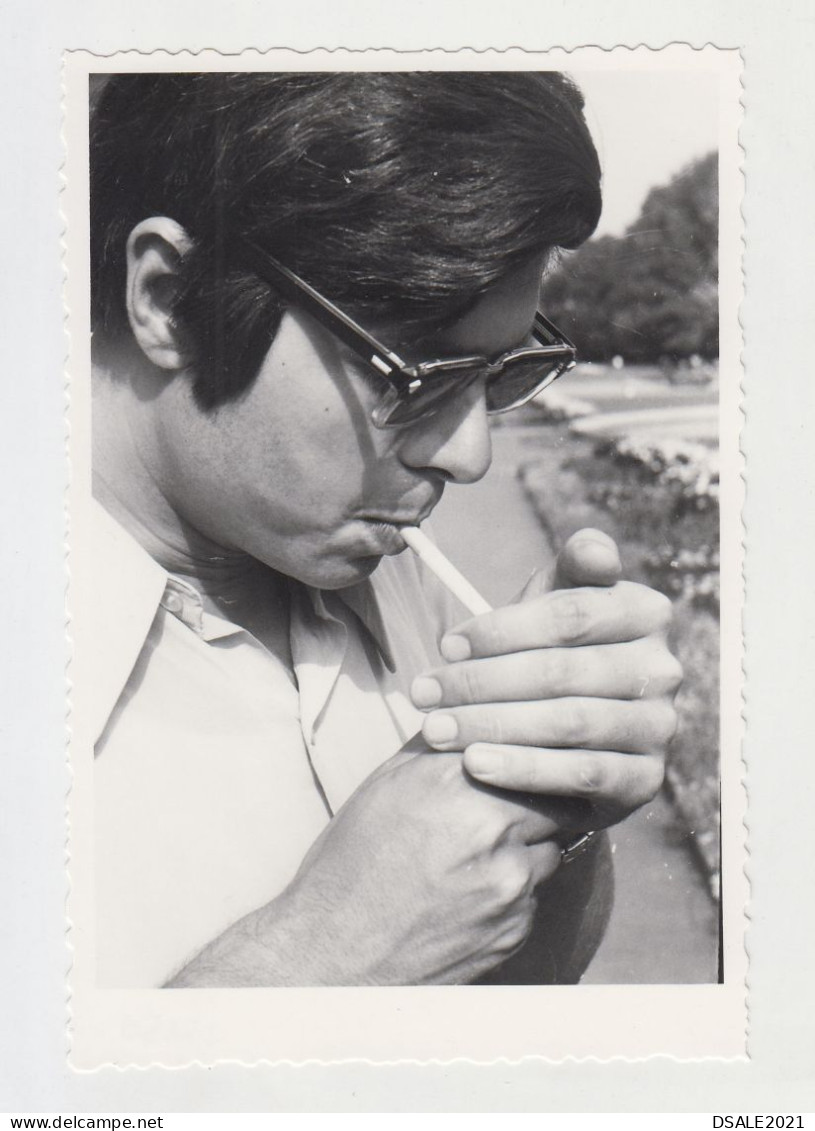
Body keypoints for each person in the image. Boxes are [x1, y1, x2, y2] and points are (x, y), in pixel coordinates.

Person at [88, 72, 681, 987]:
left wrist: (557, 814)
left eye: (499, 373)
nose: (470, 454)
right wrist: (320, 957)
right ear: (168, 299)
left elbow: (530, 998)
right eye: (417, 374)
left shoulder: (402, 581)